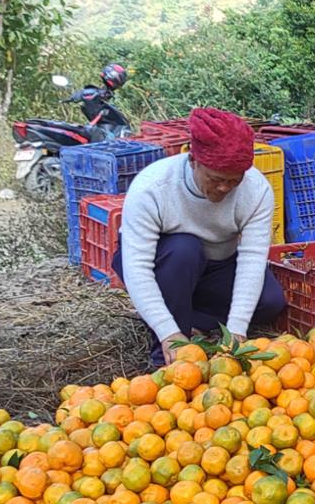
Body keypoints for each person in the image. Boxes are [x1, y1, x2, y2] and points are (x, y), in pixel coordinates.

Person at [115, 106, 285, 366]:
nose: (224, 188)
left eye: (233, 181)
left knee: (270, 301)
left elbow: (252, 259)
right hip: (166, 261)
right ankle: (166, 353)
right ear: (193, 160)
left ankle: (191, 319)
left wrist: (236, 331)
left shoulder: (256, 190)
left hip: (216, 262)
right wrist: (167, 332)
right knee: (184, 249)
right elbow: (138, 267)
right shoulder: (152, 188)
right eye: (216, 178)